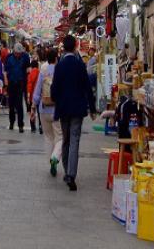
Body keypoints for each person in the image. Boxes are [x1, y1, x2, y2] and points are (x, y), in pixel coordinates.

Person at [51, 35, 97, 191]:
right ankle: (71, 174)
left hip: (63, 109)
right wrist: (92, 108)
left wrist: (56, 100)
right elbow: (87, 88)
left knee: (66, 139)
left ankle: (66, 171)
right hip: (77, 108)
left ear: (63, 47)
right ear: (76, 46)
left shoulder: (60, 66)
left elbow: (54, 89)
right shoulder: (80, 65)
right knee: (75, 140)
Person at [32, 49, 62, 177]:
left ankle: (51, 161)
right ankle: (55, 157)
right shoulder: (60, 71)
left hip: (43, 109)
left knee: (48, 137)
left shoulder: (43, 71)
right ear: (56, 58)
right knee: (60, 136)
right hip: (57, 110)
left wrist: (33, 106)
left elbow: (38, 90)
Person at [4, 43, 30, 132]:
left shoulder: (25, 57)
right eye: (17, 53)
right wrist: (6, 82)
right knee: (11, 105)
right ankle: (11, 122)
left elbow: (28, 69)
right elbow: (5, 71)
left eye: (20, 53)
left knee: (19, 105)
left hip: (20, 83)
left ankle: (20, 125)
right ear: (14, 51)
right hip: (11, 83)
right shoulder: (8, 57)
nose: (18, 54)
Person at [26, 59, 42, 134]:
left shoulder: (30, 74)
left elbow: (29, 85)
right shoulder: (40, 73)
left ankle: (33, 127)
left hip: (32, 95)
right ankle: (40, 126)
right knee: (39, 112)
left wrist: (28, 96)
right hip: (39, 95)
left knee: (32, 111)